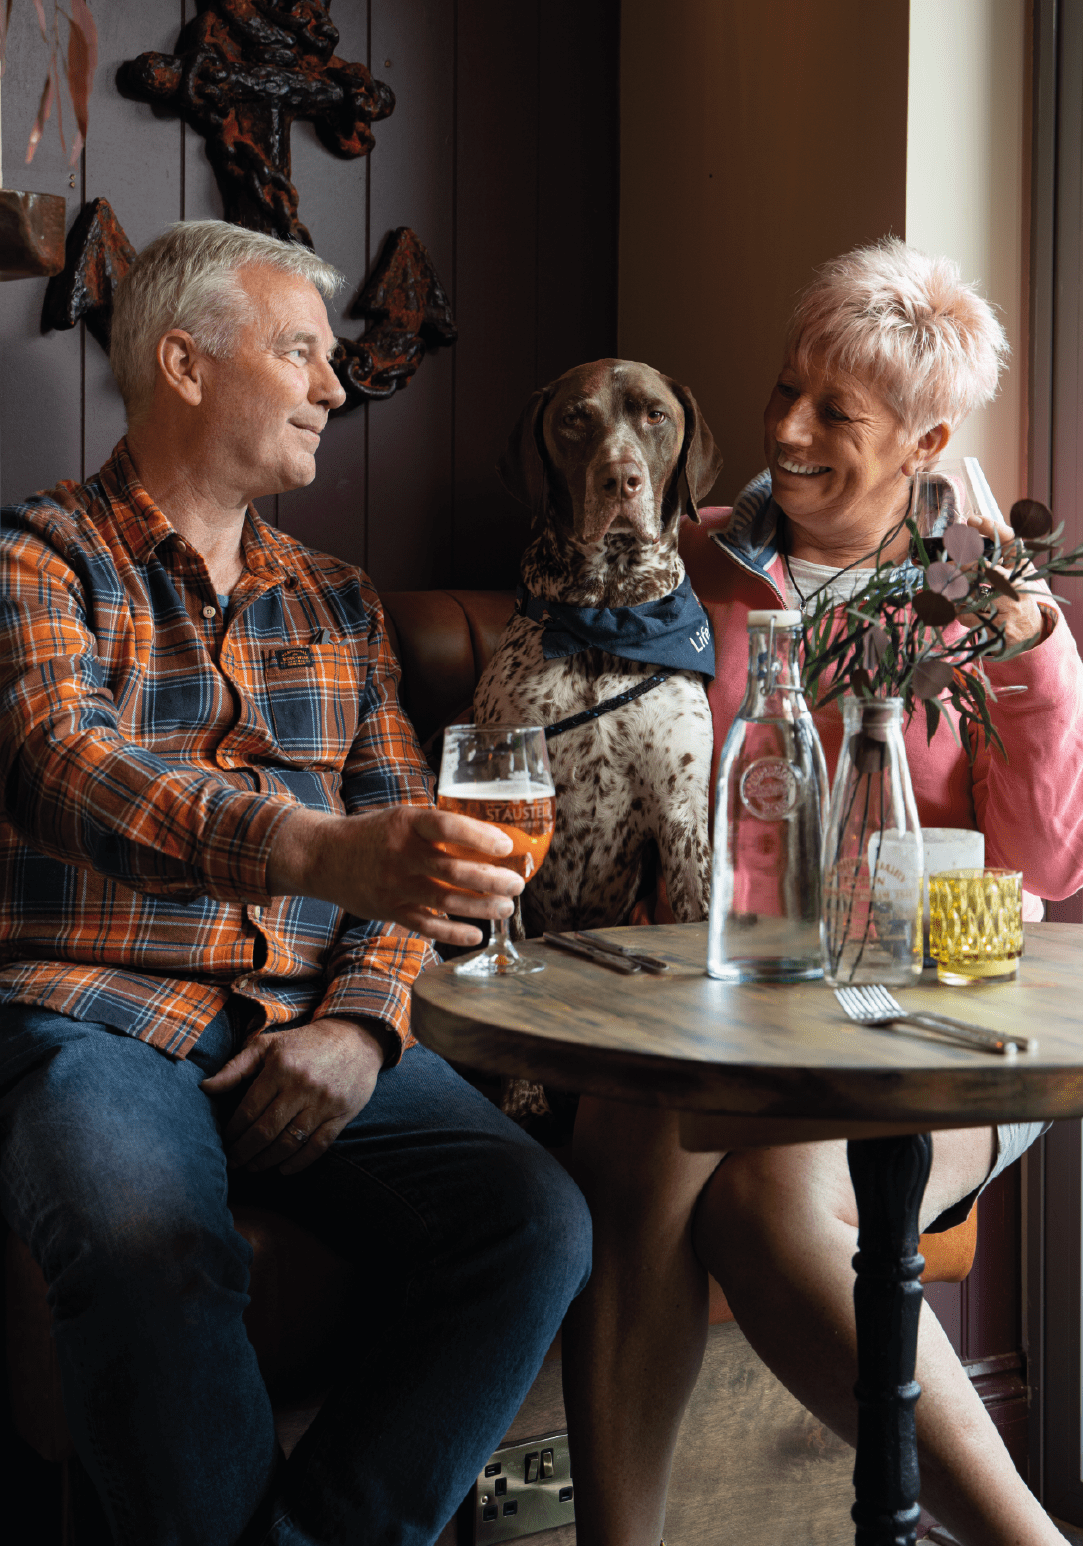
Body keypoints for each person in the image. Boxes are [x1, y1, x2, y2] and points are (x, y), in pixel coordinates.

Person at [0, 220, 592, 1546]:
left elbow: (405, 831)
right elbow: (61, 763)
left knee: (534, 1219)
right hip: (97, 1015)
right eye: (302, 353)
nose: (336, 387)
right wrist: (307, 850)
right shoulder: (36, 558)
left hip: (305, 1014)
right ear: (185, 362)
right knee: (148, 1242)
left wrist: (366, 1024)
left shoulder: (336, 597)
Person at [561, 239, 1082, 1546]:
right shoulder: (689, 566)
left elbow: (1049, 867)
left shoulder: (979, 595)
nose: (784, 429)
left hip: (924, 1025)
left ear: (925, 441)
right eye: (786, 387)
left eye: (833, 413)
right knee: (642, 1109)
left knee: (768, 1195)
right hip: (718, 1008)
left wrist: (1030, 649)